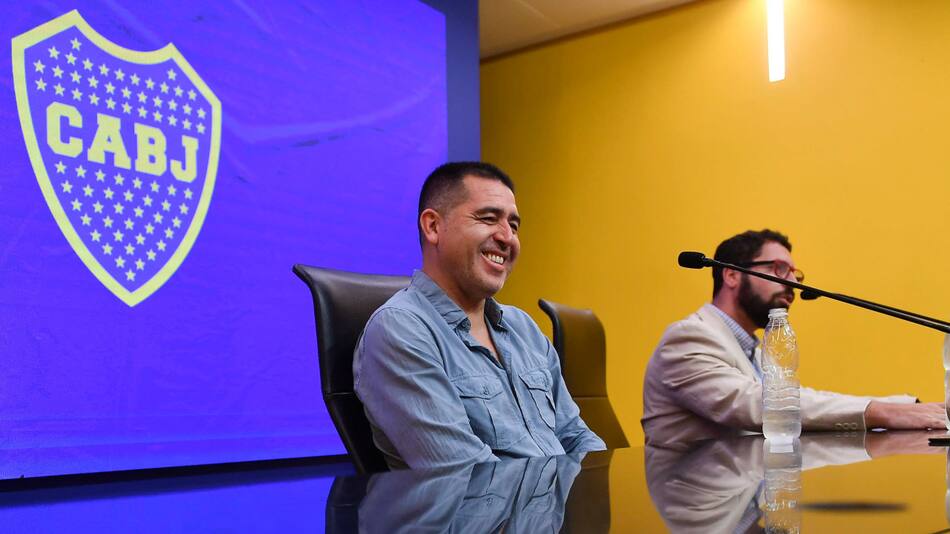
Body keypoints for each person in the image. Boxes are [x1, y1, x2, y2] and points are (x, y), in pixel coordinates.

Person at [354, 162, 605, 470]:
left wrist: (600, 497)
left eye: (514, 225)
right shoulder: (400, 329)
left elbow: (576, 436)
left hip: (557, 512)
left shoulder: (522, 327)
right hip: (486, 518)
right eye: (488, 219)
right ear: (433, 227)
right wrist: (564, 510)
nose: (507, 237)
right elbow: (470, 476)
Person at [641, 229, 945, 444]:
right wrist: (884, 414)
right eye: (779, 269)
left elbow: (802, 397)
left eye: (795, 275)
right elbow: (763, 406)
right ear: (731, 274)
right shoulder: (687, 338)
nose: (792, 284)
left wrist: (908, 406)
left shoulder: (750, 349)